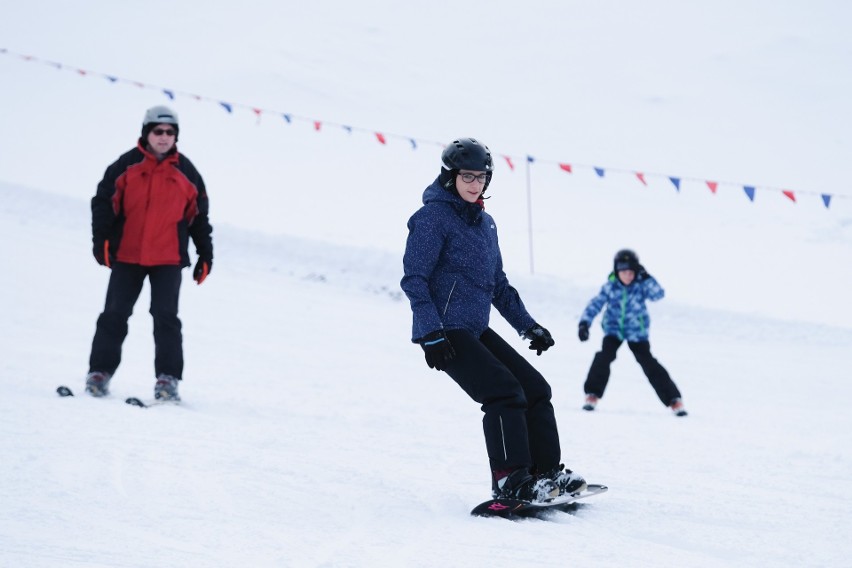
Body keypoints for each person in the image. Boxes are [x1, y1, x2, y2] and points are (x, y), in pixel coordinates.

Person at [401, 137, 586, 503]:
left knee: (535, 389)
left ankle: (544, 474)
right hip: (444, 330)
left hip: (475, 329)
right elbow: (414, 279)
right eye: (467, 176)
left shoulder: (486, 225)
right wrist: (430, 332)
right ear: (450, 176)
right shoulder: (431, 218)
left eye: (482, 177)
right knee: (503, 392)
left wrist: (527, 325)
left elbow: (497, 285)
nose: (475, 184)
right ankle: (510, 479)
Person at [85, 105, 213, 401]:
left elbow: (199, 217)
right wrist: (100, 240)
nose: (164, 137)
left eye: (170, 132)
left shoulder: (187, 172)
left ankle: (167, 379)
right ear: (147, 133)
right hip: (128, 256)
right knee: (114, 315)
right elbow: (103, 202)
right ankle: (99, 372)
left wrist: (205, 254)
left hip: (167, 259)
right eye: (158, 131)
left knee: (166, 318)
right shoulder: (125, 165)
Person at [578, 249, 687, 416]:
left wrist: (647, 277)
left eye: (631, 272)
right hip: (613, 330)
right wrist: (584, 323)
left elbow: (658, 294)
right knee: (604, 357)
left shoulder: (641, 285)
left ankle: (674, 399)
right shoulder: (610, 287)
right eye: (624, 272)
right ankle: (592, 394)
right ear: (617, 271)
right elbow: (595, 304)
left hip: (637, 332)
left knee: (648, 363)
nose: (628, 276)